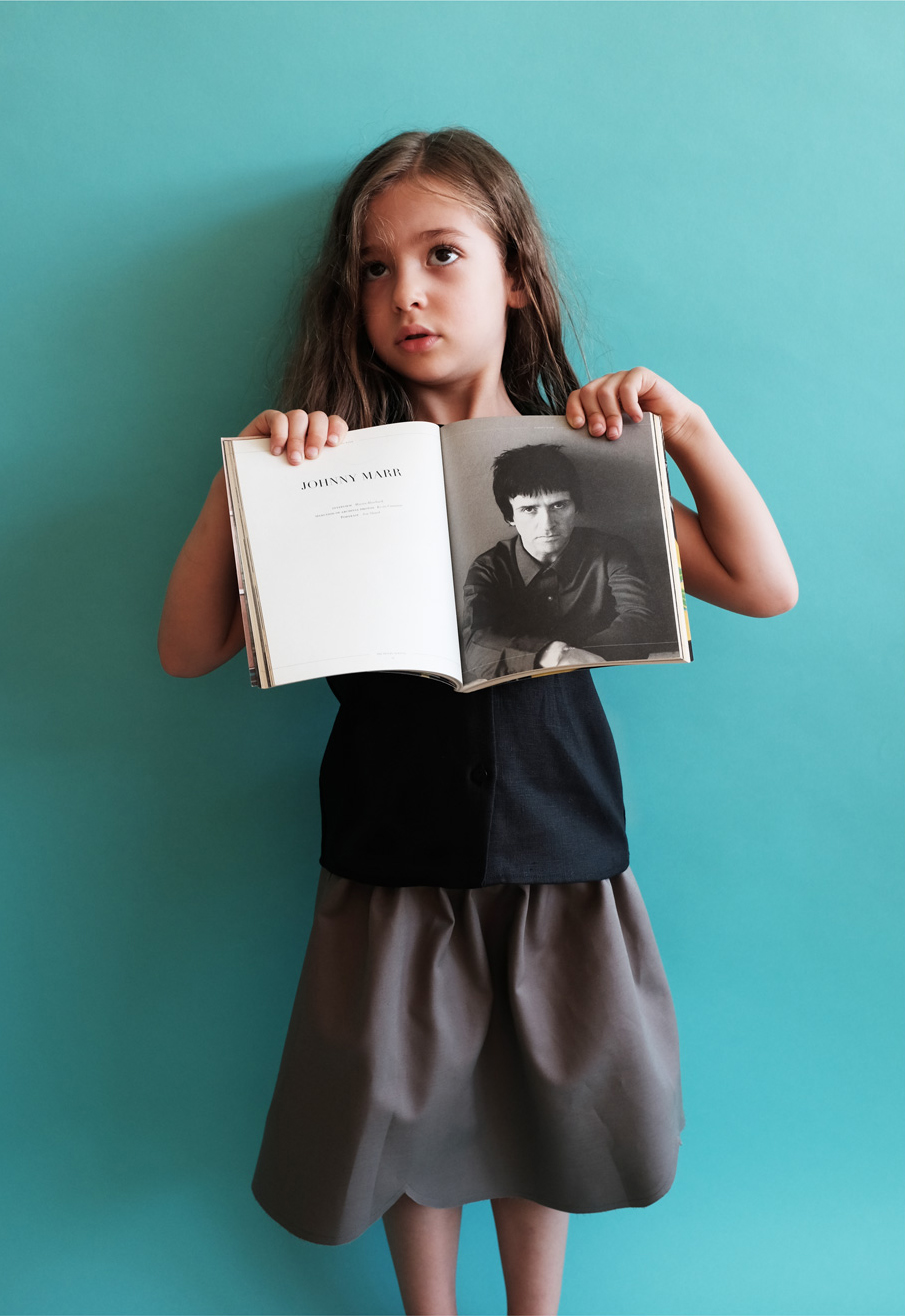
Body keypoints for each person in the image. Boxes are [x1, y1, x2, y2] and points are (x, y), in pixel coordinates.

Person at [158, 128, 797, 1316]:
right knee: (413, 1106)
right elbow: (189, 646)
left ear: (513, 276)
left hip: (559, 846)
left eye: (440, 254)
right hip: (392, 853)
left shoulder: (582, 461)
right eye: (373, 267)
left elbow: (763, 585)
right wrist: (237, 479)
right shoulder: (328, 471)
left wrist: (685, 430)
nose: (404, 291)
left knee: (544, 1103)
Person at [462, 442, 659, 681]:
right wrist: (552, 655)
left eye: (558, 505)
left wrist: (576, 658)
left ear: (576, 507)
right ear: (510, 516)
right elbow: (476, 643)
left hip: (603, 680)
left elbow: (641, 618)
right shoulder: (489, 568)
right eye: (529, 509)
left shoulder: (612, 551)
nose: (547, 524)